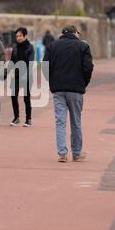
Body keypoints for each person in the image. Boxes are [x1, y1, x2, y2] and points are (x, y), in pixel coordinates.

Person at [43, 25, 93, 162]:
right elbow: (88, 67)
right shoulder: (83, 47)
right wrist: (84, 83)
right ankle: (76, 153)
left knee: (60, 121)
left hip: (58, 88)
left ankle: (62, 153)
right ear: (75, 33)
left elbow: (45, 66)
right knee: (76, 121)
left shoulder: (52, 46)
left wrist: (51, 82)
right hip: (76, 89)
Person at [8, 27, 35, 127]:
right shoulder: (15, 47)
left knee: (26, 98)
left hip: (27, 76)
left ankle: (28, 119)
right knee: (13, 96)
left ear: (24, 36)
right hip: (16, 76)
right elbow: (12, 61)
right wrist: (6, 72)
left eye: (20, 36)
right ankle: (16, 118)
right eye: (16, 36)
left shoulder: (30, 47)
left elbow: (31, 63)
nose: (18, 38)